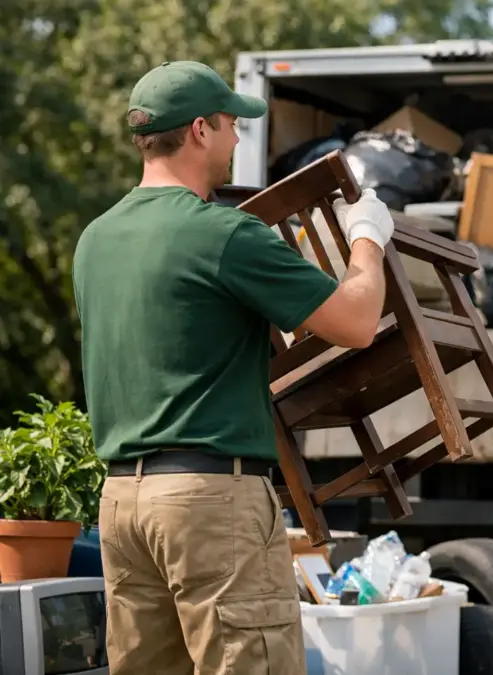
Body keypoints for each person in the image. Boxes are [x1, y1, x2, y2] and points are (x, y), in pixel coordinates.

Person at [71, 60, 394, 675]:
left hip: (121, 504)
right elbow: (355, 322)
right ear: (199, 129)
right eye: (229, 126)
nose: (236, 140)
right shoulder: (223, 234)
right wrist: (367, 239)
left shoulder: (96, 239)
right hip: (209, 501)